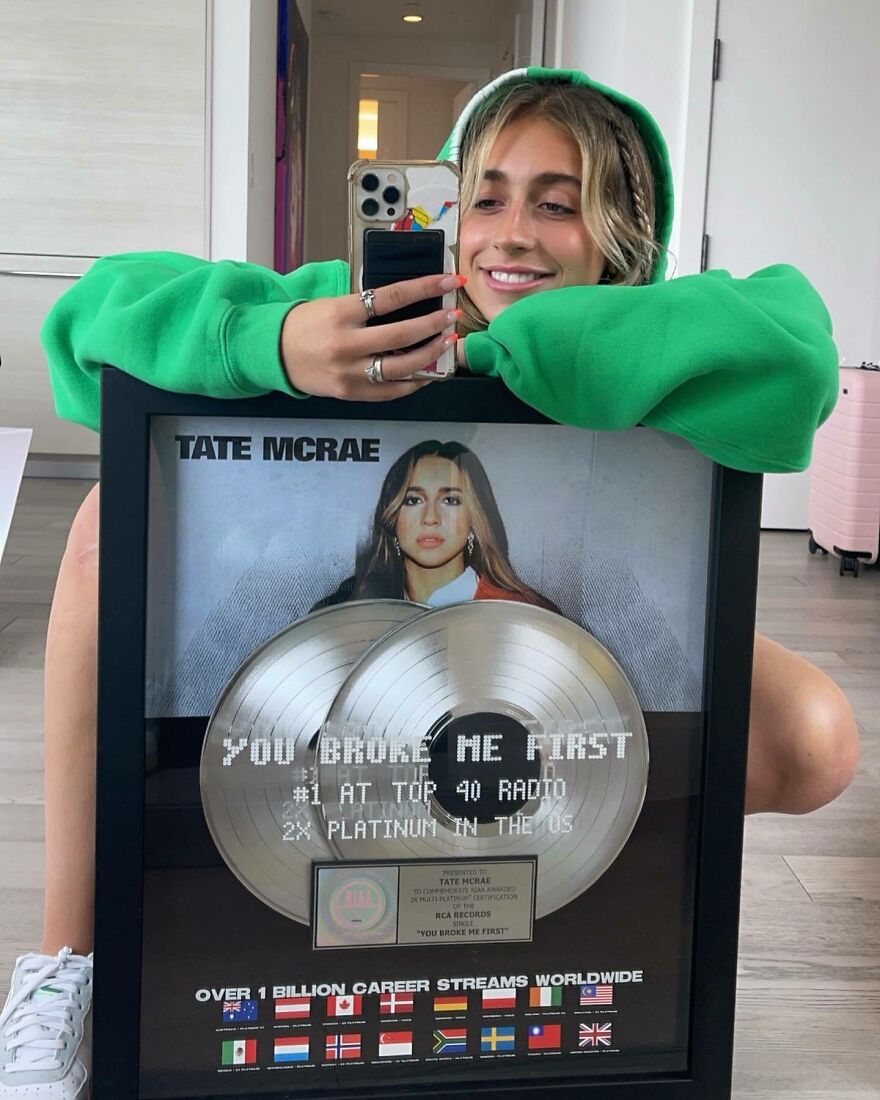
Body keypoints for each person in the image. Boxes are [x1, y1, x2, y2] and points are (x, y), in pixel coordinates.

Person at [0, 67, 859, 1096]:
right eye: (483, 198)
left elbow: (795, 360)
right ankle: (65, 964)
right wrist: (274, 339)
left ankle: (577, 904)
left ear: (621, 236)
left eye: (558, 204)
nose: (512, 235)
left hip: (546, 685)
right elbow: (90, 317)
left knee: (815, 734)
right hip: (345, 699)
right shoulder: (368, 304)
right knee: (103, 525)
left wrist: (504, 354)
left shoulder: (651, 328)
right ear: (443, 211)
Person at [312, 439, 559, 610]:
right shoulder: (348, 609)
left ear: (475, 519)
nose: (430, 517)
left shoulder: (523, 612)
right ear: (392, 516)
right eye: (413, 500)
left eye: (450, 500)